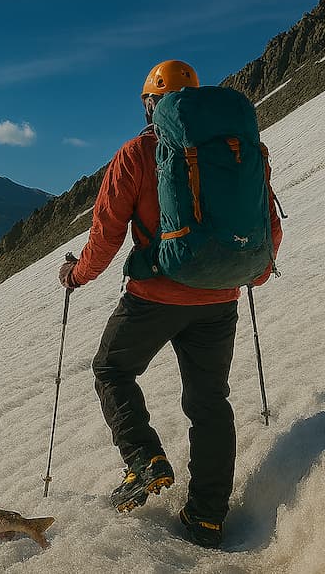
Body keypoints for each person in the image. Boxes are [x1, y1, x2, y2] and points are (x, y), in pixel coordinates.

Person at [57, 60, 282, 548]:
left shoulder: (139, 152)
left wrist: (77, 275)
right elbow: (267, 223)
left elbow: (107, 233)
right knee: (209, 403)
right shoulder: (241, 148)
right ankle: (206, 518)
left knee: (112, 370)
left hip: (153, 297)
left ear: (150, 104)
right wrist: (252, 274)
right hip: (220, 298)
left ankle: (145, 460)